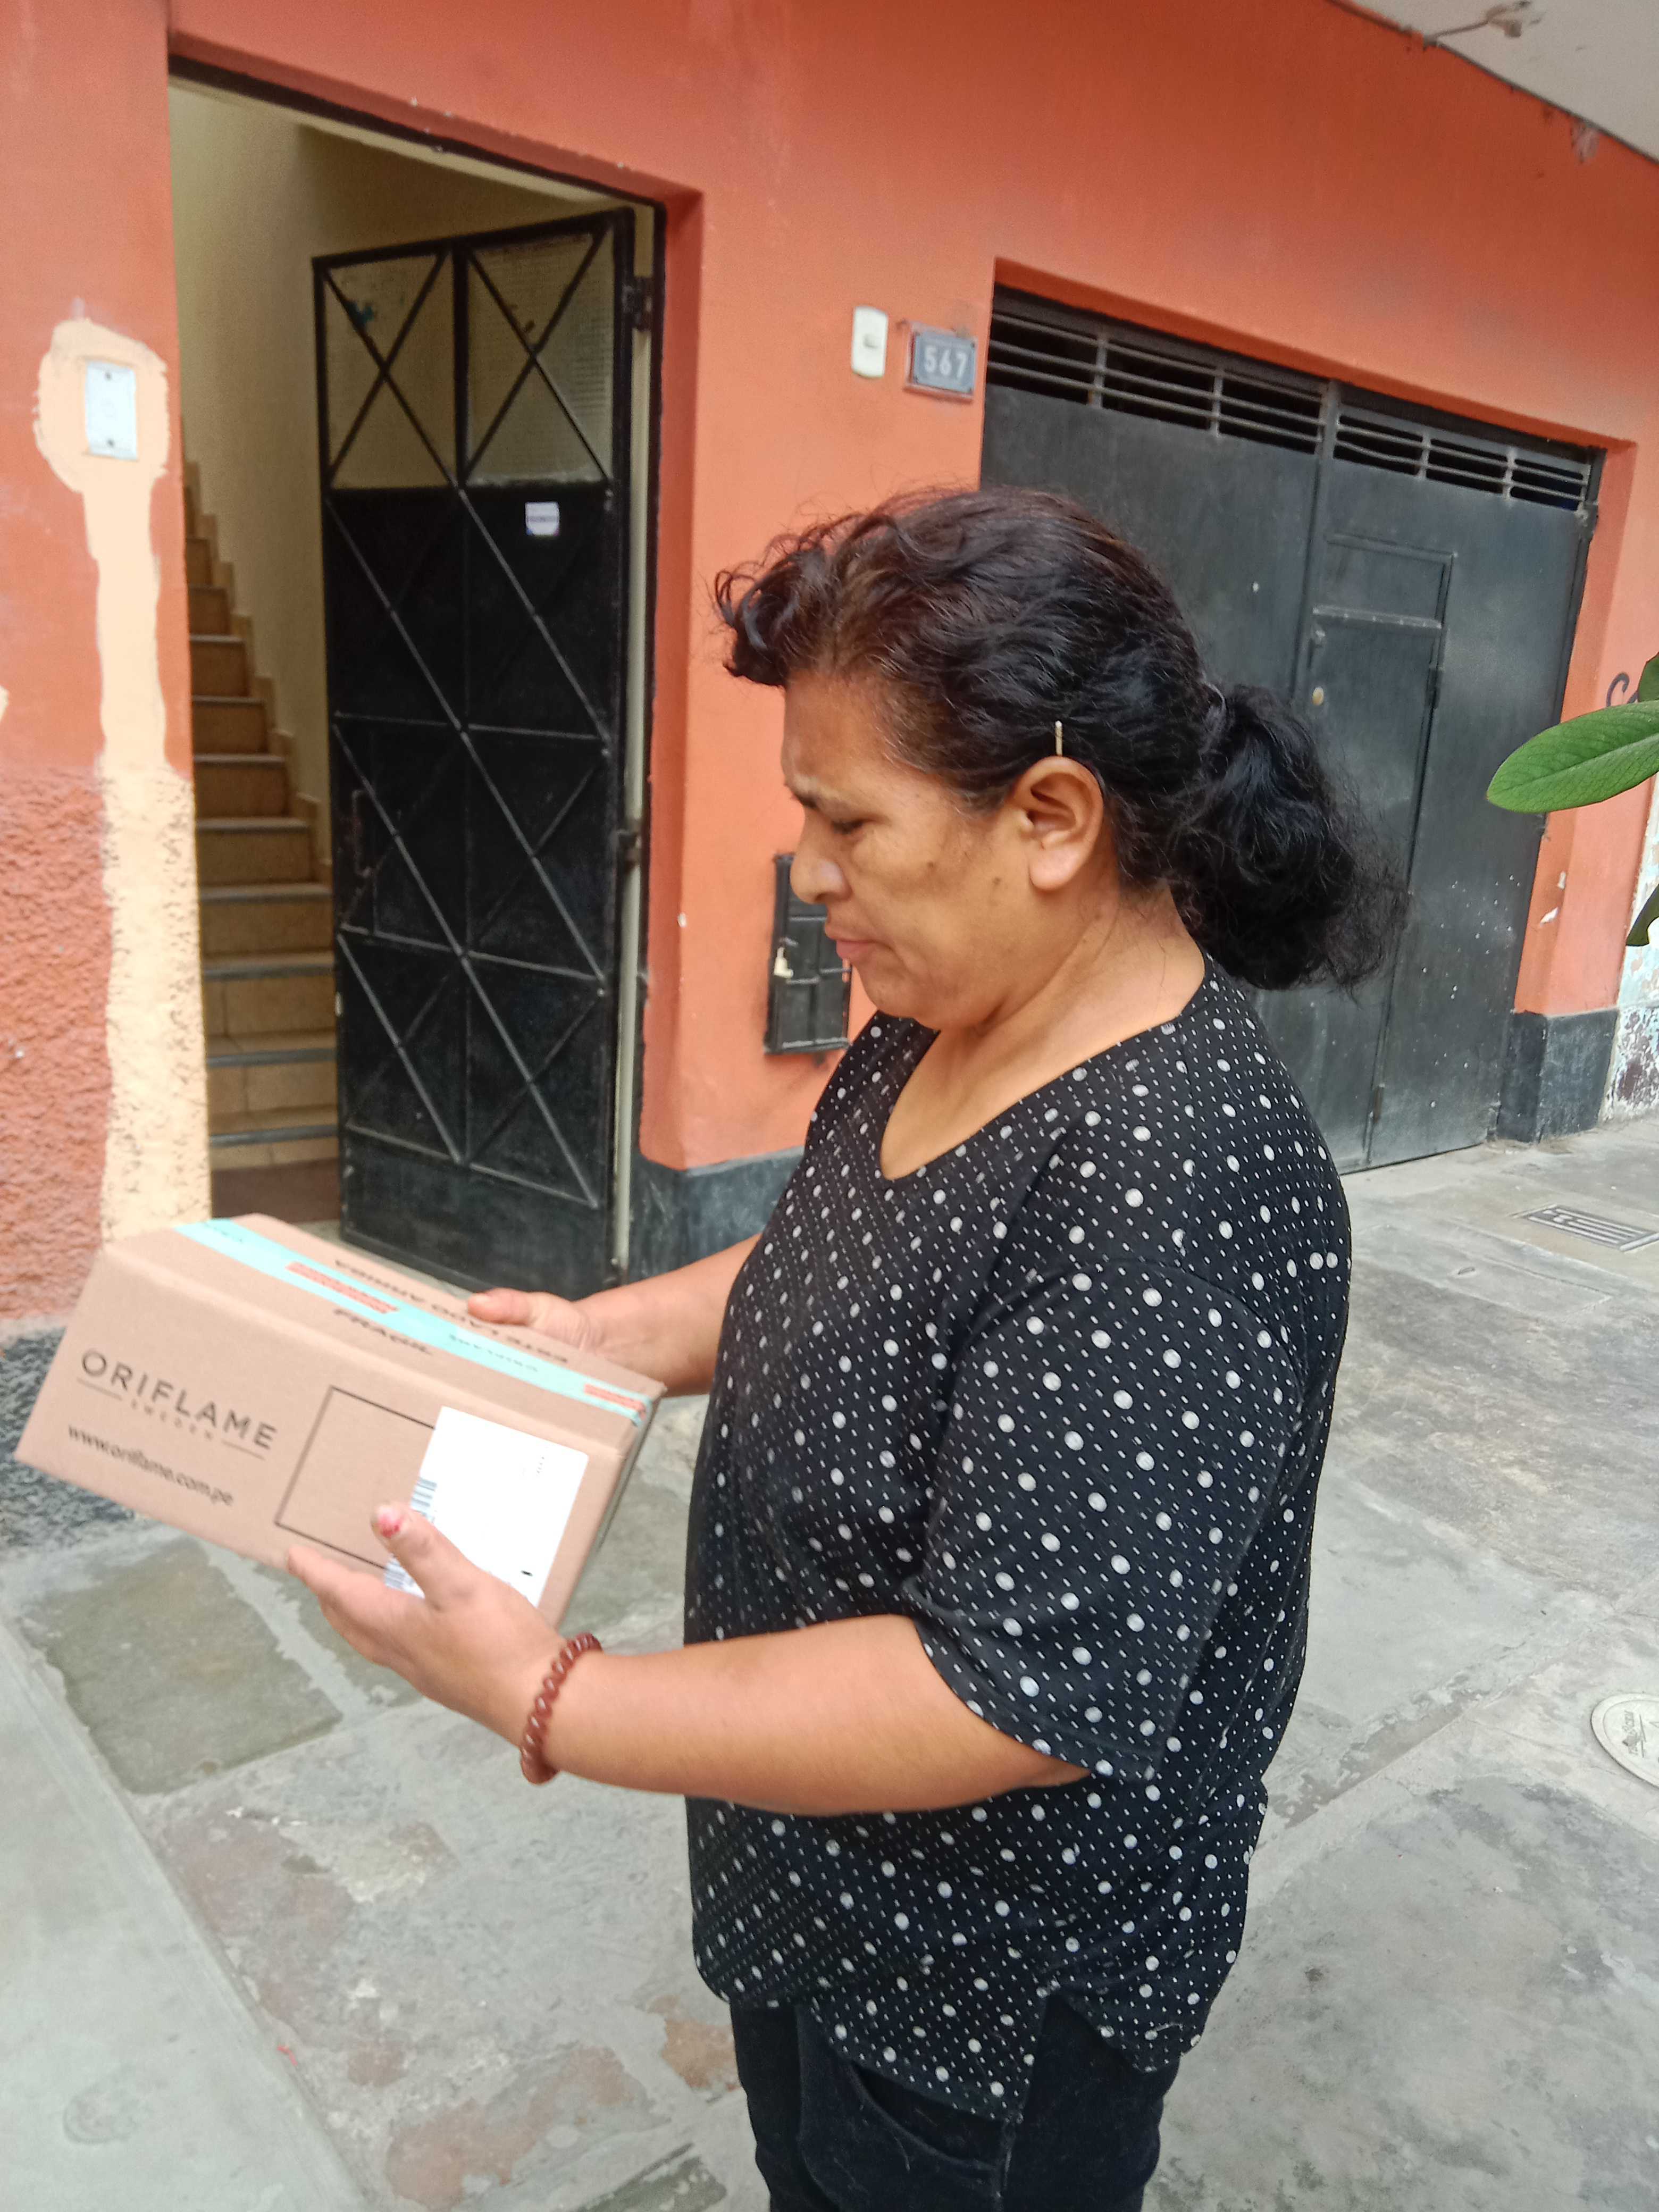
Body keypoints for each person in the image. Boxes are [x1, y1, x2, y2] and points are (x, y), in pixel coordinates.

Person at [289, 487, 1404, 2211]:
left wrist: (553, 1694)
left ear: (1051, 818)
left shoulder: (1175, 1188)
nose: (812, 877)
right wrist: (600, 1336)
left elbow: (1000, 1690)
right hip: (816, 1880)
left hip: (985, 1990)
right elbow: (851, 1260)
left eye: (849, 822)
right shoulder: (942, 1016)